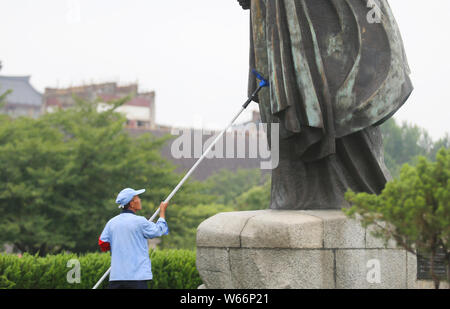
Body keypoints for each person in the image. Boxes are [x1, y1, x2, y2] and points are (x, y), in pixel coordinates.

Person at [237, 0, 413, 210]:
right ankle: (296, 191)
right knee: (289, 92)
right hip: (280, 13)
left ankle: (357, 189)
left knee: (340, 89)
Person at [98, 188, 169, 289]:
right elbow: (158, 230)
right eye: (137, 198)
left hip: (117, 277)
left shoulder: (111, 223)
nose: (140, 200)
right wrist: (162, 213)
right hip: (136, 277)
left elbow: (103, 243)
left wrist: (119, 246)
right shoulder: (140, 221)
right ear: (131, 203)